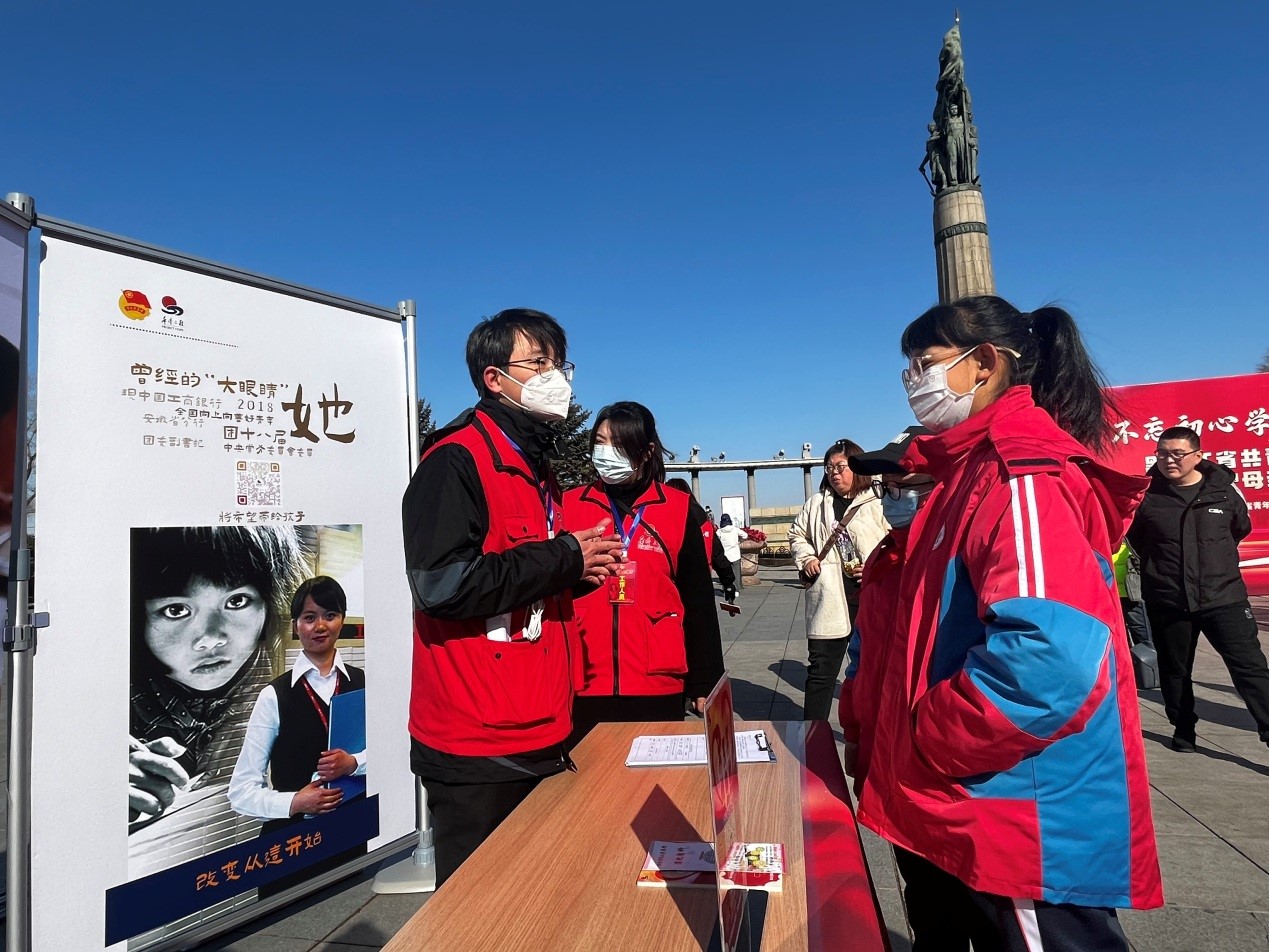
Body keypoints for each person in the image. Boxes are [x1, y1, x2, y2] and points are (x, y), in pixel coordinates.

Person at [855, 296, 1162, 950]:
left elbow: (1049, 658)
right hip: (968, 798)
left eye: (924, 363)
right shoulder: (964, 474)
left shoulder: (1017, 474)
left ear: (984, 363)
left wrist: (932, 734)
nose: (912, 381)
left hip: (1012, 811)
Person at [401, 308, 624, 887]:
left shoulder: (534, 464)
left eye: (561, 364)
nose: (557, 378)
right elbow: (441, 586)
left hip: (540, 722)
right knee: (479, 911)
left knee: (538, 903)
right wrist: (562, 559)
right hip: (478, 745)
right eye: (540, 363)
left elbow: (511, 572)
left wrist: (575, 573)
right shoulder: (455, 460)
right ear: (494, 378)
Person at [841, 428, 1001, 952]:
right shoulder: (885, 557)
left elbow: (1025, 664)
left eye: (908, 485)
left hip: (958, 780)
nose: (894, 497)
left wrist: (931, 735)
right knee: (931, 916)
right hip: (895, 769)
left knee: (990, 918)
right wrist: (860, 735)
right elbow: (862, 657)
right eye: (887, 487)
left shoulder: (970, 550)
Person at [562, 403, 725, 741]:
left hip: (657, 679)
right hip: (583, 675)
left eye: (619, 444)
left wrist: (705, 678)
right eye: (600, 441)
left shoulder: (677, 508)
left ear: (647, 451)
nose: (607, 451)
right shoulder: (570, 505)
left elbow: (698, 600)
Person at [129, 525, 308, 829]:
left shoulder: (291, 684)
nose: (210, 639)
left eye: (236, 601)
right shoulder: (105, 703)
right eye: (175, 610)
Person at [1127, 425, 1269, 753]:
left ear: (1198, 455)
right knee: (1175, 670)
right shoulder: (1147, 496)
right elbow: (1137, 541)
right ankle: (1183, 729)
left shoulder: (1224, 492)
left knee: (1251, 668)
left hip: (1224, 597)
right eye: (1162, 454)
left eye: (1178, 454)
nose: (1169, 461)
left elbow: (1239, 528)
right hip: (1168, 599)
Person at [228, 575, 367, 894]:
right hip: (291, 847)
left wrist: (353, 763)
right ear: (295, 625)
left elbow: (388, 755)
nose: (320, 626)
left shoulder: (363, 683)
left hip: (352, 838)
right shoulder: (274, 696)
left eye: (330, 615)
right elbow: (241, 791)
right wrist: (295, 802)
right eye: (309, 617)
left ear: (342, 620)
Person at [788, 439, 888, 722]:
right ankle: (813, 733)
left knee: (872, 669)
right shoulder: (816, 503)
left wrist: (874, 566)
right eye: (829, 467)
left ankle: (870, 729)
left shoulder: (878, 500)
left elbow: (896, 540)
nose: (834, 473)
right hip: (829, 597)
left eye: (840, 466)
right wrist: (807, 557)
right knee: (821, 671)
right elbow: (797, 534)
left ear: (856, 466)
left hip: (869, 597)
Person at [667, 476, 738, 601]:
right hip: (701, 584)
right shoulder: (704, 522)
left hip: (670, 586)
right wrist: (728, 582)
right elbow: (718, 556)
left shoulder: (666, 521)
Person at [716, 514, 747, 594]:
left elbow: (716, 540)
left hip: (725, 555)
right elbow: (745, 535)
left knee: (725, 574)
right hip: (735, 554)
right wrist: (739, 542)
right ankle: (736, 590)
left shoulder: (719, 531)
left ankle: (726, 589)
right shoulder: (735, 529)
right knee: (736, 573)